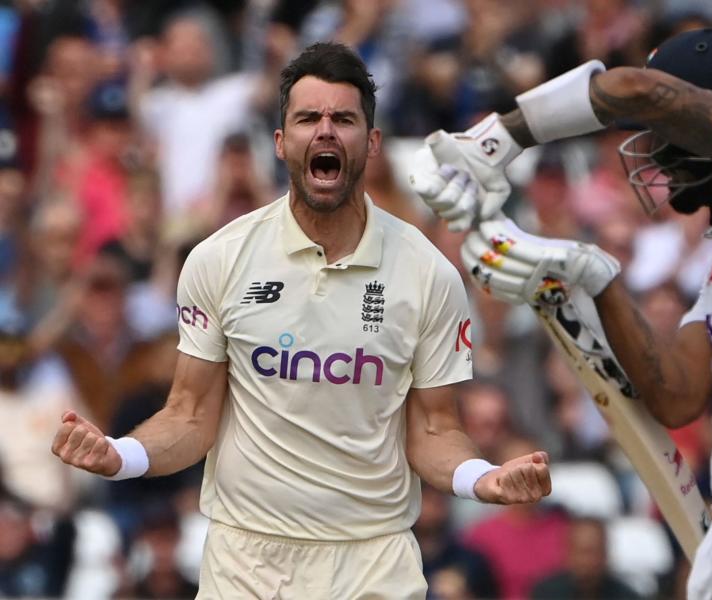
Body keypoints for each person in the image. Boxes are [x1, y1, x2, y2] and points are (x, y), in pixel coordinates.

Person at [51, 42, 551, 599]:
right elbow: (190, 415)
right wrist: (120, 456)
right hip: (246, 561)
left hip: (372, 560)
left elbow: (433, 429)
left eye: (344, 118)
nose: (326, 131)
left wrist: (481, 478)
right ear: (281, 142)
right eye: (308, 118)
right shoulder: (219, 258)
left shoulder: (427, 272)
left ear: (373, 142)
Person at [410, 28, 712, 598]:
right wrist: (597, 281)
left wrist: (500, 136)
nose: (657, 154)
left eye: (667, 137)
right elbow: (676, 393)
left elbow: (636, 88)